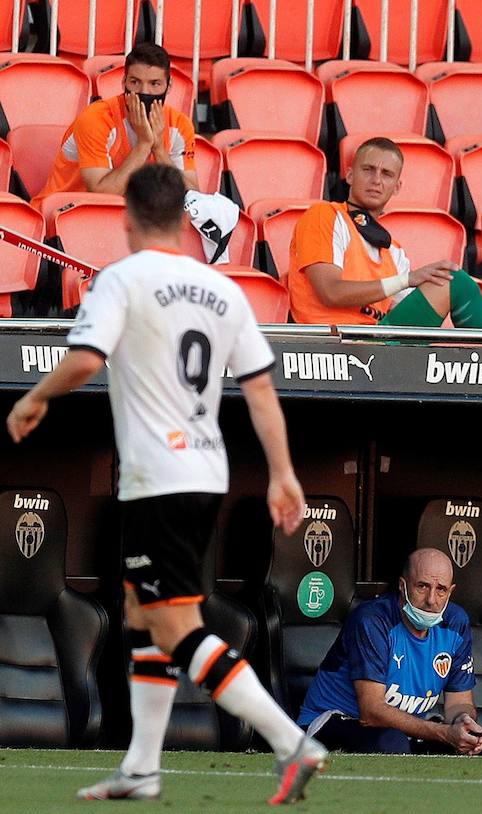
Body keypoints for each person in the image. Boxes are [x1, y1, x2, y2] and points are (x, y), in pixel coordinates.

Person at [6, 164, 328, 804]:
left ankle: (290, 742)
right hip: (206, 471)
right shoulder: (222, 289)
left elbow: (86, 359)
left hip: (158, 480)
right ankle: (143, 768)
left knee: (176, 626)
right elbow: (260, 391)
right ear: (185, 219)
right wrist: (284, 473)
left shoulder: (121, 279)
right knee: (143, 616)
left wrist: (34, 398)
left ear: (124, 218)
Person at [287, 136, 482, 329]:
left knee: (449, 279)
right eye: (368, 169)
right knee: (452, 281)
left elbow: (413, 312)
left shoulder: (393, 252)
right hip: (328, 344)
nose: (377, 180)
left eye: (387, 174)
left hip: (378, 346)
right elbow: (330, 293)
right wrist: (407, 280)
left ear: (397, 186)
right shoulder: (324, 216)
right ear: (350, 176)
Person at [296, 549, 482, 755]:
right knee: (391, 743)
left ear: (451, 592)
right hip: (335, 721)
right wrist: (445, 733)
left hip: (404, 727)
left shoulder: (456, 622)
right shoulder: (373, 620)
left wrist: (463, 720)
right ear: (403, 586)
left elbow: (459, 702)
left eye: (441, 590)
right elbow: (371, 712)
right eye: (422, 586)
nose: (431, 600)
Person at [33, 43, 198, 210]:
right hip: (63, 212)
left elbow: (192, 196)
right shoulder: (95, 119)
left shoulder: (180, 125)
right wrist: (143, 145)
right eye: (135, 82)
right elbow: (102, 195)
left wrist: (159, 150)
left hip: (128, 219)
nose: (144, 92)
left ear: (169, 87)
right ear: (124, 82)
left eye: (155, 84)